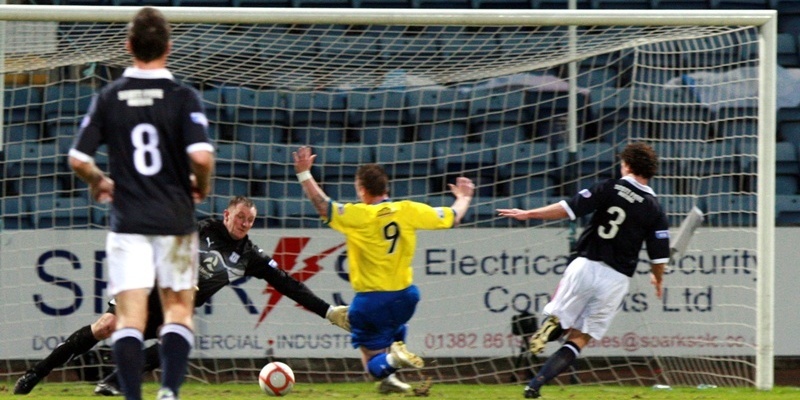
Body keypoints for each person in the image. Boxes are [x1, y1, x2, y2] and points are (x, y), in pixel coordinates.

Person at [13, 196, 350, 396]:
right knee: (105, 327)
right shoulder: (202, 230)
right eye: (240, 217)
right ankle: (37, 372)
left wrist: (327, 312)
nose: (244, 223)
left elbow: (289, 285)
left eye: (250, 220)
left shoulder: (251, 256)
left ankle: (112, 383)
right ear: (226, 215)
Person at [67, 7, 215, 400]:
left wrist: (100, 182)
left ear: (129, 45)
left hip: (128, 223)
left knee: (129, 318)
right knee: (178, 311)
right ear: (169, 46)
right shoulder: (184, 97)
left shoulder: (109, 97)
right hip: (175, 222)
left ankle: (133, 397)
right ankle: (168, 390)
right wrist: (199, 186)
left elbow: (78, 159)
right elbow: (201, 158)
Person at [292, 145, 474, 394]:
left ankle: (393, 361)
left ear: (361, 189)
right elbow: (453, 216)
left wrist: (304, 174)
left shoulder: (361, 215)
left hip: (372, 301)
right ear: (386, 188)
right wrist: (464, 197)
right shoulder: (408, 210)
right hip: (407, 297)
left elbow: (324, 206)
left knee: (373, 365)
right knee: (393, 331)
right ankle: (392, 373)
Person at [497, 142, 670, 399]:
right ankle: (534, 385)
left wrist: (529, 213)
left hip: (585, 264)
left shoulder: (609, 187)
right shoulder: (655, 208)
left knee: (561, 319)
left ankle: (551, 326)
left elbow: (569, 208)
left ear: (627, 165)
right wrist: (657, 279)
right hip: (616, 278)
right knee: (579, 338)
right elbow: (659, 256)